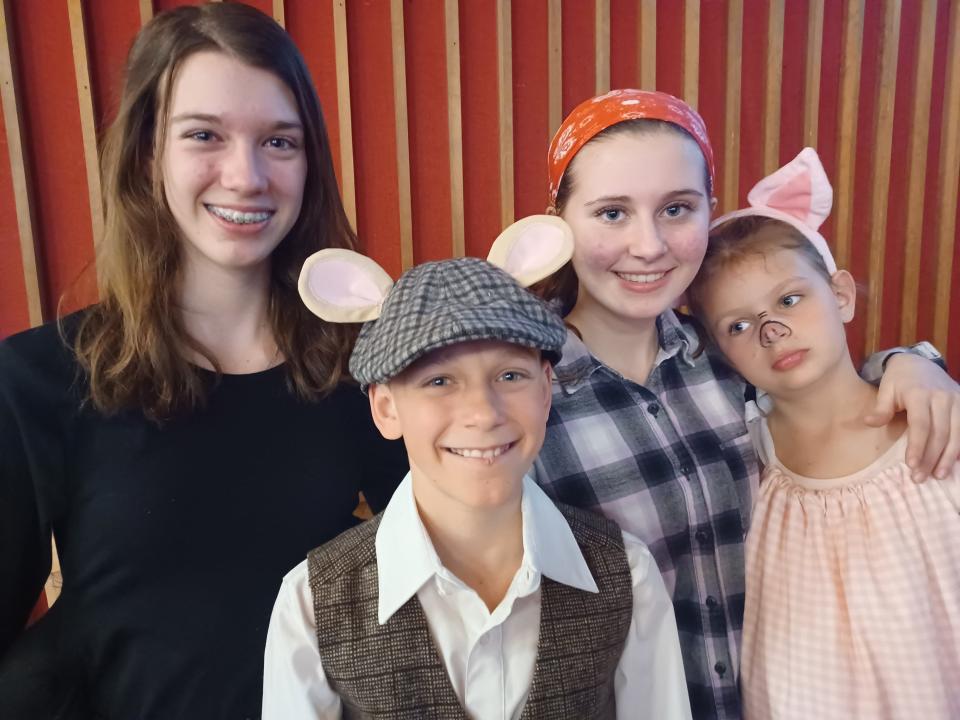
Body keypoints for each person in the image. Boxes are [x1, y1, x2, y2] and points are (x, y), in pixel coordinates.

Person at [0, 5, 406, 718]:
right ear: (147, 154)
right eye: (203, 136)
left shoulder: (364, 363)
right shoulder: (37, 380)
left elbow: (443, 560)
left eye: (279, 141)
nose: (246, 176)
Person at [530, 89, 960, 720]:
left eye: (677, 208)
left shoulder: (724, 357)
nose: (648, 246)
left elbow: (822, 383)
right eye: (613, 213)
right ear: (561, 220)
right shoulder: (524, 395)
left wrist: (913, 363)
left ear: (708, 211)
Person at [261, 216, 692, 719]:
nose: (484, 413)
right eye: (439, 381)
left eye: (510, 375)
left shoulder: (627, 574)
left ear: (546, 388)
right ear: (385, 408)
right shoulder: (312, 604)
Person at [687, 147, 960, 719]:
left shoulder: (935, 434)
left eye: (790, 299)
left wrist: (915, 361)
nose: (773, 332)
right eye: (739, 325)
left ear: (840, 295)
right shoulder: (745, 455)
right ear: (718, 350)